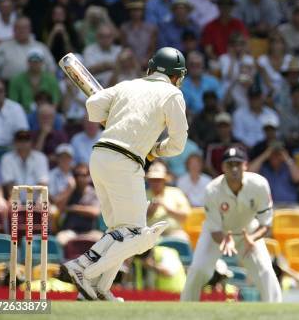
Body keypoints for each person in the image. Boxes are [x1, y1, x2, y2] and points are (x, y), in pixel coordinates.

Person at [60, 47, 188, 301]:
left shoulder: (127, 85)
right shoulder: (172, 94)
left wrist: (113, 116)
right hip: (125, 160)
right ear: (177, 76)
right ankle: (83, 267)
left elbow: (93, 105)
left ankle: (98, 289)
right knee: (140, 236)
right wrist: (155, 150)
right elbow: (178, 143)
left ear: (151, 68)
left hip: (99, 157)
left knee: (119, 232)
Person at [180, 146, 282, 302]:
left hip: (248, 231)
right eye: (230, 164)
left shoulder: (259, 184)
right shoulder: (212, 190)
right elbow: (214, 229)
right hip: (218, 233)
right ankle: (184, 310)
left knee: (266, 271)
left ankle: (276, 312)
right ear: (223, 168)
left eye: (238, 164)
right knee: (198, 269)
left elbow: (266, 224)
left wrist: (252, 238)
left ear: (245, 166)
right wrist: (224, 239)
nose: (234, 168)